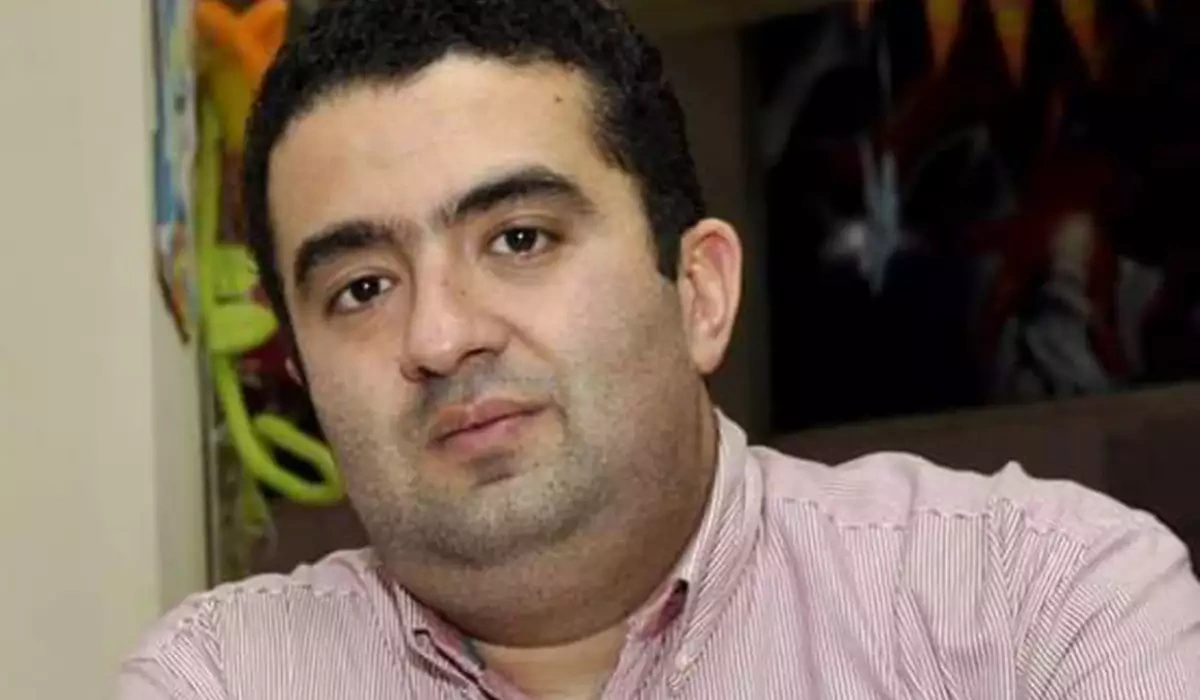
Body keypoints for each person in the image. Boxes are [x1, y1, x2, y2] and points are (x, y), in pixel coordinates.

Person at [120, 1, 1200, 697]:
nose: (441, 335)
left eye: (520, 239)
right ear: (304, 375)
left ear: (700, 291)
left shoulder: (1030, 601)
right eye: (362, 288)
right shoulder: (226, 677)